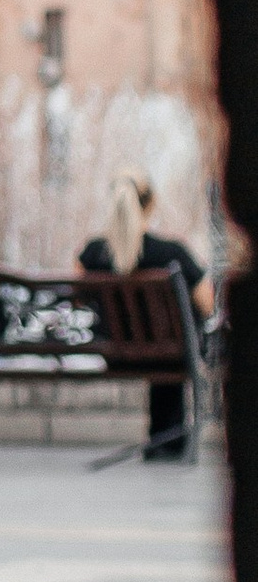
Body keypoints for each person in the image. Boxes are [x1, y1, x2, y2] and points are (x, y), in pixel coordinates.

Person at [80, 171, 213, 461]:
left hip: (115, 353)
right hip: (170, 354)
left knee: (168, 346)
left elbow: (76, 296)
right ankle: (168, 440)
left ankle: (162, 440)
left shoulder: (93, 254)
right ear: (150, 205)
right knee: (174, 343)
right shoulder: (172, 253)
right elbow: (207, 303)